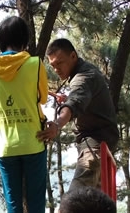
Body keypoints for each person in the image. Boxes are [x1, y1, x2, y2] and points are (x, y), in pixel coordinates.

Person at [0, 15, 50, 213]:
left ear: (2, 40)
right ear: (25, 40)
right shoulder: (35, 64)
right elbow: (42, 98)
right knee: (35, 196)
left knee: (12, 198)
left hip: (5, 144)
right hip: (33, 139)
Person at [41, 38, 118, 191]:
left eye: (60, 63)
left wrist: (57, 124)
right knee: (93, 202)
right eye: (53, 66)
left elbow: (74, 102)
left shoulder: (83, 77)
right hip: (101, 141)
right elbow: (77, 98)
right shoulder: (85, 72)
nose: (56, 69)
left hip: (96, 143)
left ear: (73, 56)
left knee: (75, 197)